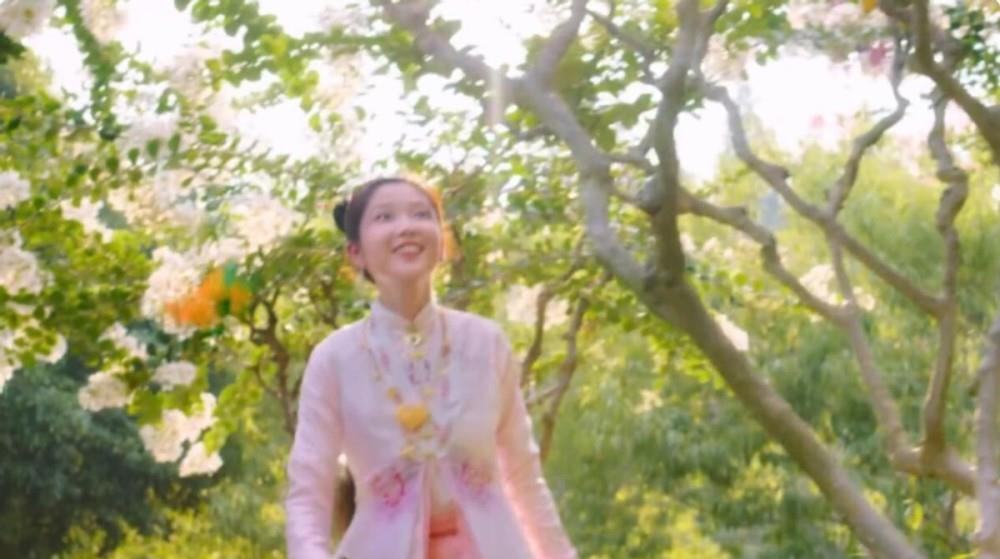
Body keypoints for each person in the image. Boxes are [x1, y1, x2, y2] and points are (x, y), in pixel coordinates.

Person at [284, 177, 578, 559]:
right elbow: (309, 492)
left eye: (421, 215)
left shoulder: (485, 343)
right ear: (355, 253)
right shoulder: (335, 358)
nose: (406, 226)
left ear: (441, 244)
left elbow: (524, 477)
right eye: (385, 217)